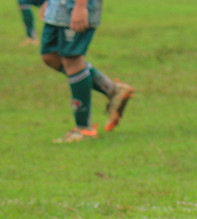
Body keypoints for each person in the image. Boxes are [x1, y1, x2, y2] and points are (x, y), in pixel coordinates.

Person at [40, 0, 134, 143]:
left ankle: (84, 128)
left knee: (72, 59)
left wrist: (80, 6)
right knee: (50, 56)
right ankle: (113, 90)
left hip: (74, 6)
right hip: (58, 6)